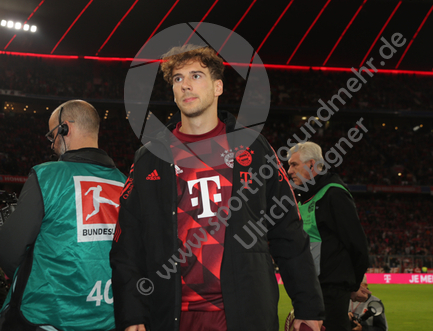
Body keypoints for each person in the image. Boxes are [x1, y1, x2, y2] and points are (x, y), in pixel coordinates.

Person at [110, 45, 324, 331]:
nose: (185, 84)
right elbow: (127, 245)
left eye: (196, 76)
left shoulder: (254, 148)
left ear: (218, 86)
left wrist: (308, 305)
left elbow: (288, 231)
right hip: (172, 316)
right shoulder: (150, 158)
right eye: (177, 78)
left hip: (244, 315)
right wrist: (132, 313)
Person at [0, 100, 126, 331]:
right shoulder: (126, 183)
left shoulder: (46, 175)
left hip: (45, 318)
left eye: (52, 136)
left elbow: (8, 250)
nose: (51, 145)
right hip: (109, 319)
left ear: (65, 128)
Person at [287, 142, 370, 331]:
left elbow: (357, 244)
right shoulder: (305, 196)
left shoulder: (334, 194)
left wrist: (353, 285)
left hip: (331, 290)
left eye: (294, 164)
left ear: (310, 165)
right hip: (312, 287)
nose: (289, 170)